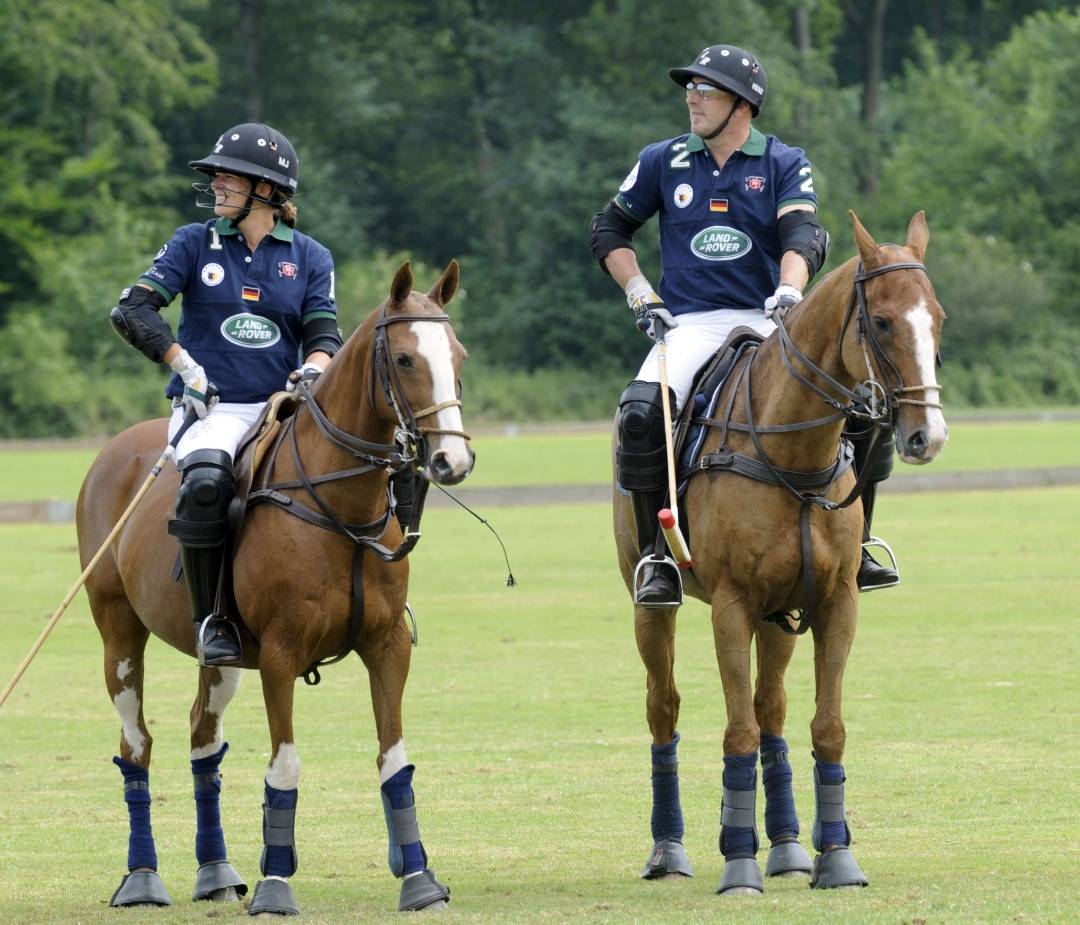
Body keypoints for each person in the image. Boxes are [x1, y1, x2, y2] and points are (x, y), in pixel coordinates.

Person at [589, 44, 895, 607]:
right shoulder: (663, 160)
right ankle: (658, 554)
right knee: (639, 412)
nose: (693, 98)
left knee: (865, 409)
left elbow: (804, 233)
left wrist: (789, 290)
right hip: (690, 324)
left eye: (707, 89)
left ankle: (861, 542)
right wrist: (641, 295)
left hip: (771, 318)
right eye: (691, 88)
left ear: (743, 104)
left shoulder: (782, 161)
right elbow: (609, 230)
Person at [109, 123, 343, 666]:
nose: (216, 183)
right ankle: (212, 617)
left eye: (228, 176)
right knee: (208, 483)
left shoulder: (311, 257)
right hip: (209, 408)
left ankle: (365, 600)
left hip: (280, 409)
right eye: (216, 175)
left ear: (265, 189)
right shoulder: (194, 242)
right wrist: (184, 365)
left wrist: (311, 371)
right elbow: (133, 308)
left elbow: (324, 335)